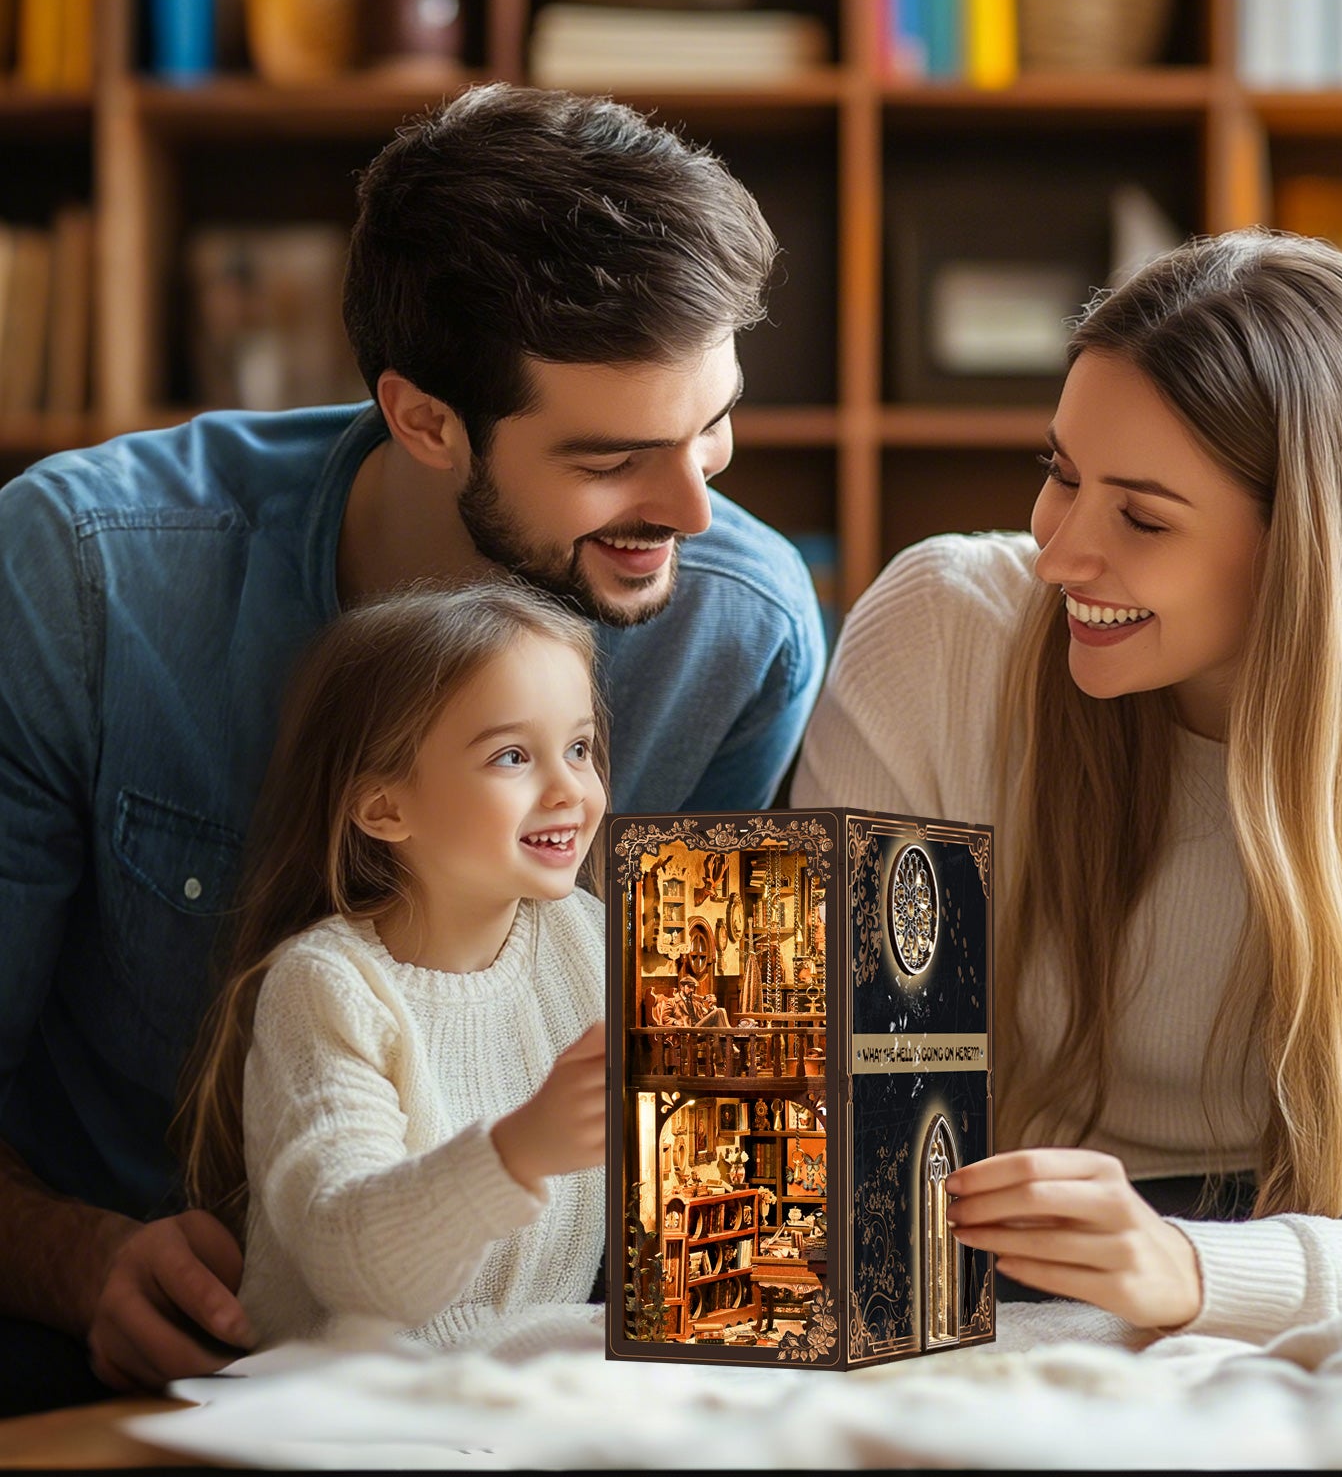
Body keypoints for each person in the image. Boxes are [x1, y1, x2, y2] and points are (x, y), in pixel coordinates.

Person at [0, 82, 825, 1407]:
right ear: (426, 418)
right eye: (616, 458)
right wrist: (76, 1260)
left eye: (713, 425)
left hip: (520, 1382)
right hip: (99, 1365)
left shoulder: (740, 638)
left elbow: (707, 1157)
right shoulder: (85, 581)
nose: (693, 508)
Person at [793, 229, 1342, 1348]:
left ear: (1309, 554)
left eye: (1141, 517)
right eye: (1060, 473)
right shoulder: (941, 636)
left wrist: (1175, 1264)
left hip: (1247, 1309)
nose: (1058, 550)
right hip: (954, 1300)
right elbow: (832, 1118)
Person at [180, 579, 607, 1354]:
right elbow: (353, 1265)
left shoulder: (590, 942)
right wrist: (521, 1149)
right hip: (352, 1402)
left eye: (579, 748)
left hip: (537, 1384)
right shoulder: (327, 988)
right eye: (513, 756)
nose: (570, 789)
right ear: (384, 810)